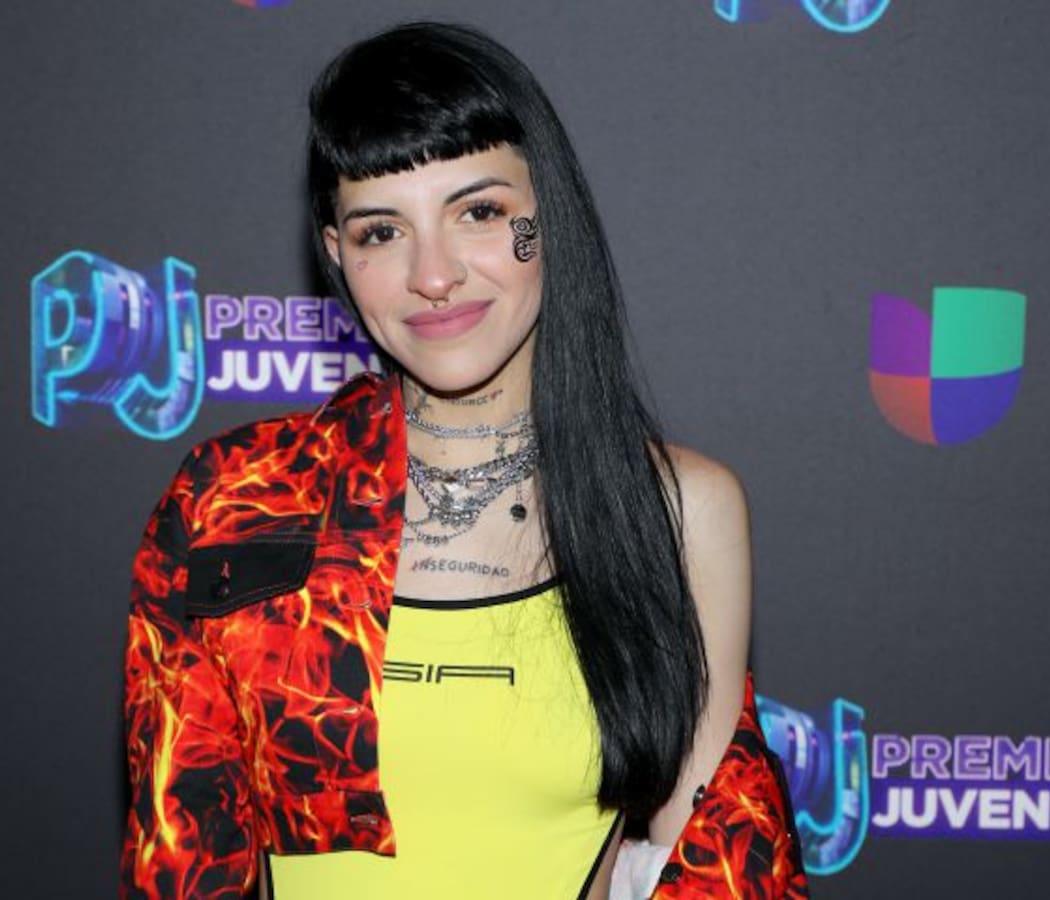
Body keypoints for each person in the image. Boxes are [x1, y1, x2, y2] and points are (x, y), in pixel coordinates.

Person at [121, 21, 808, 900]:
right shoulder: (235, 498)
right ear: (336, 256)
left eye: (478, 213)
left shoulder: (676, 509)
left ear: (548, 219)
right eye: (380, 232)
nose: (433, 275)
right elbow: (180, 854)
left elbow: (713, 863)